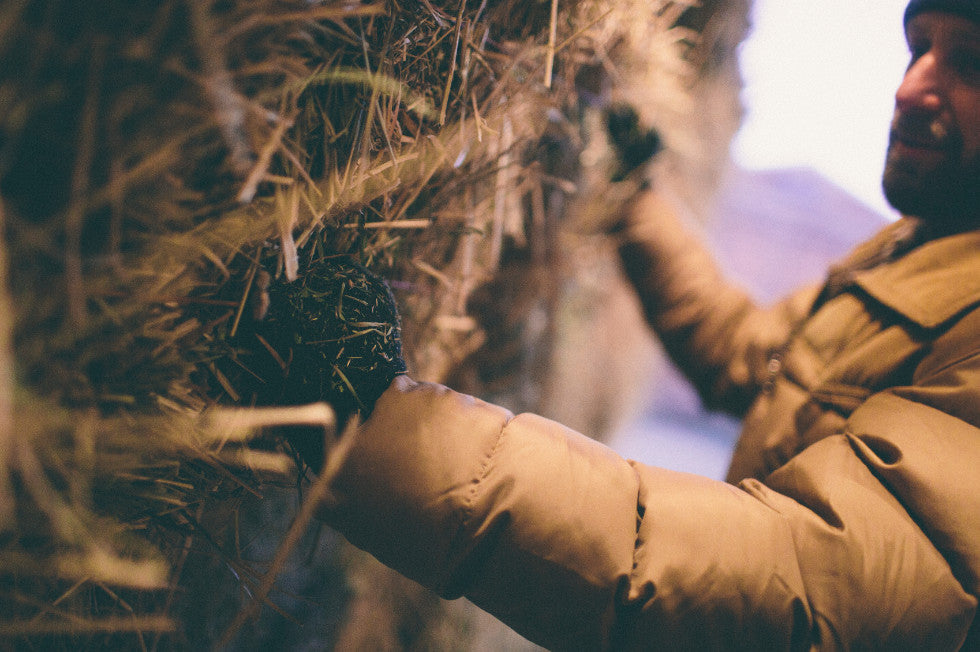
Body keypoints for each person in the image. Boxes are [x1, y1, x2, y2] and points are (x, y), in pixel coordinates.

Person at [300, 1, 980, 648]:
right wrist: (640, 198)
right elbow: (756, 357)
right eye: (918, 47)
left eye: (970, 63)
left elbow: (807, 583)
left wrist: (384, 428)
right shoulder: (917, 249)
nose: (912, 86)